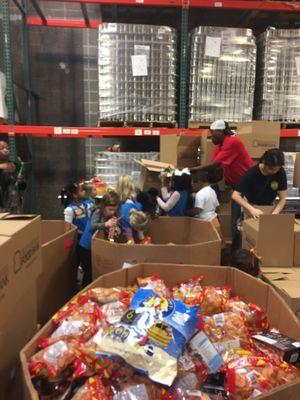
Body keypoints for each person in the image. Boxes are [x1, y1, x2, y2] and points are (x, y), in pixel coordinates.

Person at [192, 120, 254, 251]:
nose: (211, 137)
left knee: (241, 222)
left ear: (221, 132)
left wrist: (191, 170)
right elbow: (215, 168)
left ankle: (241, 251)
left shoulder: (233, 142)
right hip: (237, 187)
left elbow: (214, 165)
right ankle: (237, 250)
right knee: (235, 222)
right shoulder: (219, 146)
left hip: (248, 187)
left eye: (213, 134)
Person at [80, 190, 120, 287]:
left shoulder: (109, 214)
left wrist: (113, 227)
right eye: (110, 209)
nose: (112, 212)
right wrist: (107, 224)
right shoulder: (97, 211)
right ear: (103, 206)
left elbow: (108, 230)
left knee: (94, 271)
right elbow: (93, 226)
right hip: (86, 246)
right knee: (88, 273)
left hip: (95, 246)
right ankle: (83, 292)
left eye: (114, 210)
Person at [232, 148, 287, 220]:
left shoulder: (280, 173)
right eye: (271, 169)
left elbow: (282, 198)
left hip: (269, 206)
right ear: (264, 162)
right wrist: (252, 209)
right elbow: (235, 195)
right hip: (251, 205)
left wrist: (275, 213)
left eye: (277, 169)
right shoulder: (252, 173)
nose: (274, 172)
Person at [190, 170, 223, 240]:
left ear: (199, 182)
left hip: (205, 223)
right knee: (217, 244)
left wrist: (188, 212)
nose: (192, 186)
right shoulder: (212, 191)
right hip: (215, 220)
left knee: (206, 244)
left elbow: (198, 209)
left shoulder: (200, 193)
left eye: (193, 184)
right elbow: (218, 208)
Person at [0, 140, 26, 213]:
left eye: (7, 148)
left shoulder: (15, 165)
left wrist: (21, 181)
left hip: (15, 205)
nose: (6, 150)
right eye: (2, 148)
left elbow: (22, 187)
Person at [116, 175, 144, 243]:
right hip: (137, 237)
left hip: (124, 240)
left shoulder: (122, 208)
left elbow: (129, 238)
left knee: (130, 240)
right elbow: (140, 232)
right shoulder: (138, 204)